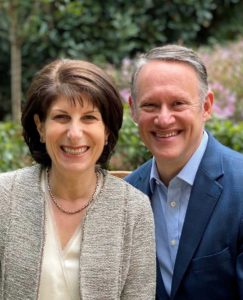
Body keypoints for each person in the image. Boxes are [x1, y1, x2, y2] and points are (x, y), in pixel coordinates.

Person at [0, 59, 156, 299]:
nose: (74, 134)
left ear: (106, 130)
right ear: (40, 127)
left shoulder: (133, 209)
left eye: (89, 118)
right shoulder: (4, 196)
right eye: (61, 117)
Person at [125, 44, 243, 300]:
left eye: (178, 103)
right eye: (151, 105)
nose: (164, 119)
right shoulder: (128, 195)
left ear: (207, 106)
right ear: (133, 109)